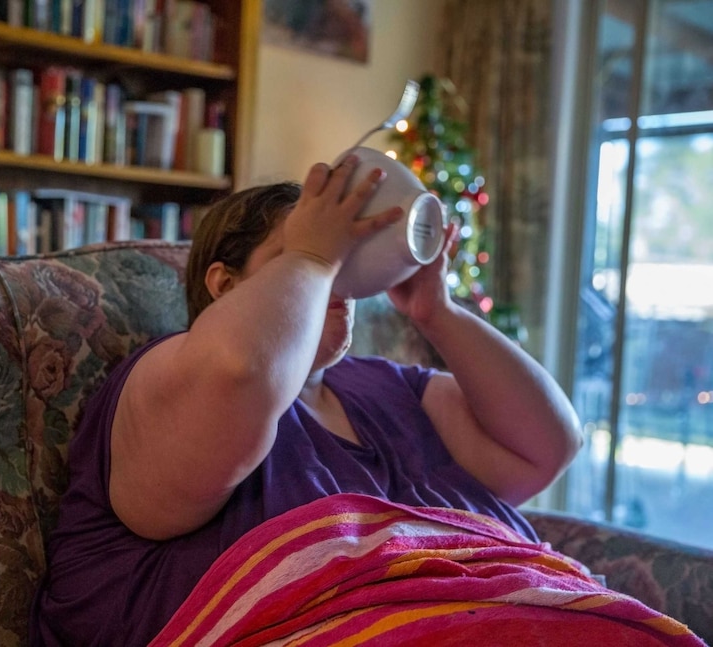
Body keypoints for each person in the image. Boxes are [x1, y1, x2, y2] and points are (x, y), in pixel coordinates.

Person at [29, 155, 583, 646]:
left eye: (344, 259)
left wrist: (436, 310)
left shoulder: (387, 387)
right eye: (305, 252)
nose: (333, 272)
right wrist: (314, 256)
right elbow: (239, 369)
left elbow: (547, 448)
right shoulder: (175, 372)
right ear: (224, 285)